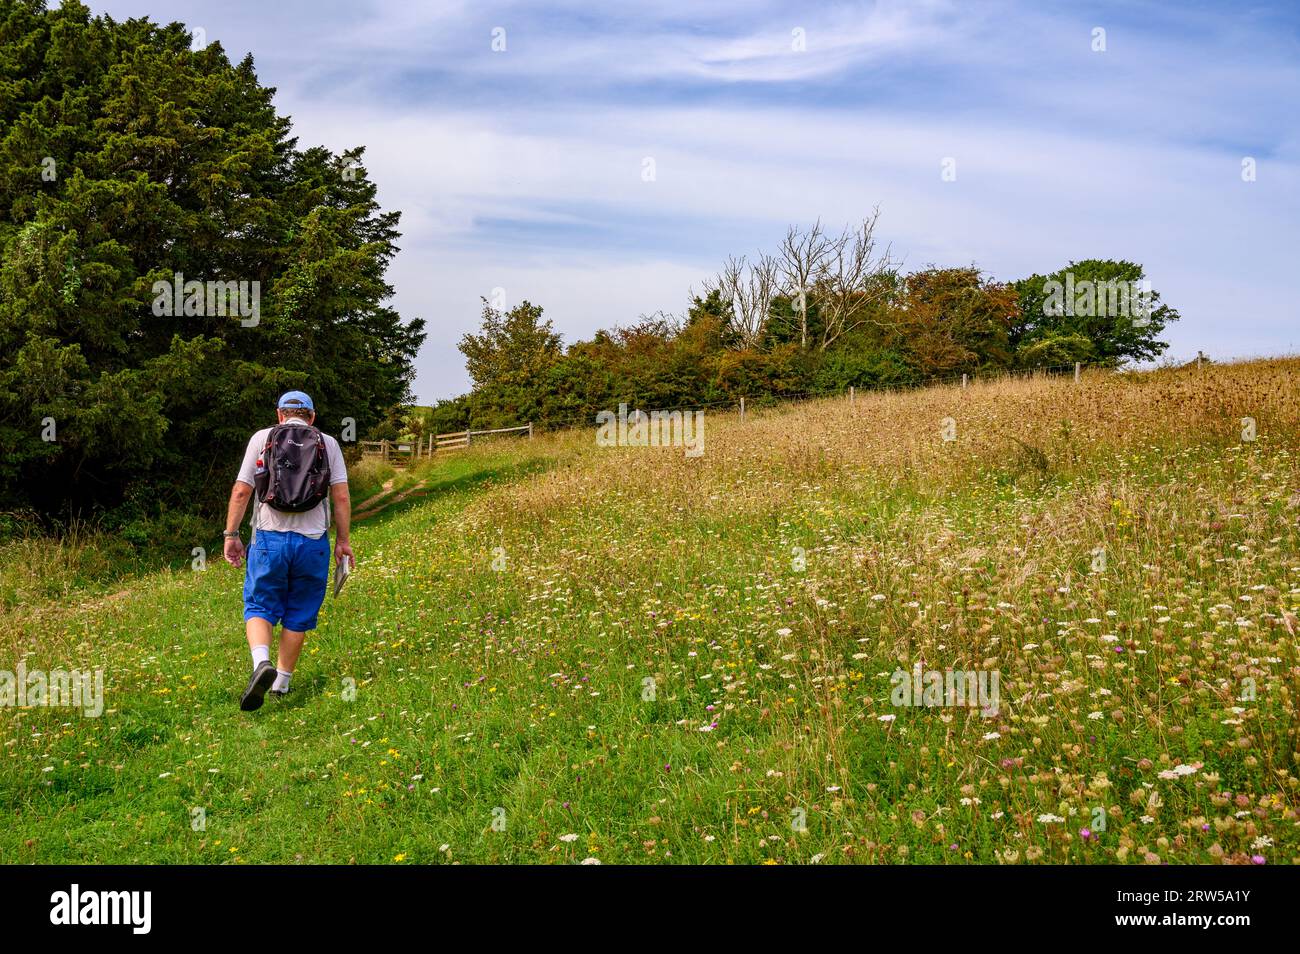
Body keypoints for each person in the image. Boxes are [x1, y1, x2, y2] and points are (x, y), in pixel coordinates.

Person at [222, 391, 354, 711]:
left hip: (269, 538)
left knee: (259, 604)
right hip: (312, 543)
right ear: (312, 416)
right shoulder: (329, 443)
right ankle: (281, 683)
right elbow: (341, 498)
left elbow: (242, 491)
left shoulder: (262, 438)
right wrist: (343, 542)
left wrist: (231, 534)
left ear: (280, 414)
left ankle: (261, 663)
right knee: (299, 611)